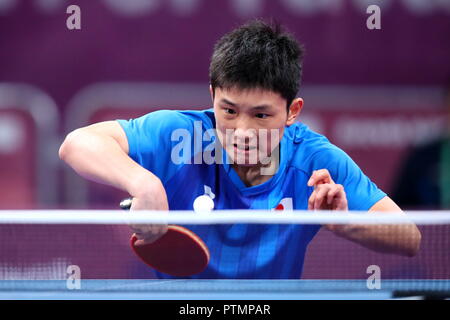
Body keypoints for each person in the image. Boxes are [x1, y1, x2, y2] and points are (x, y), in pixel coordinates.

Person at [59, 20, 421, 279]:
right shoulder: (178, 136)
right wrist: (143, 183)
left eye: (261, 115)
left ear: (292, 111)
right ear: (212, 95)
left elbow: (411, 239)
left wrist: (346, 223)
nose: (242, 131)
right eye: (229, 111)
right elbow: (77, 143)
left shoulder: (313, 162)